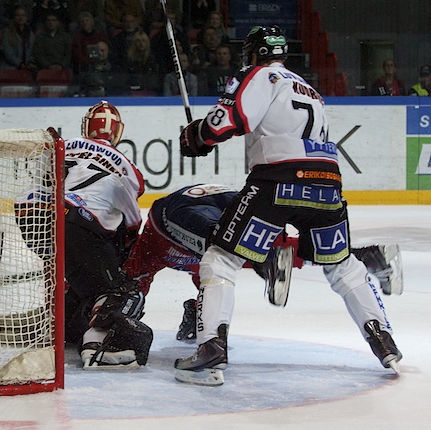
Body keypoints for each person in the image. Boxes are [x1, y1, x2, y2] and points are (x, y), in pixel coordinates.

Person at [175, 25, 402, 386]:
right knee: (342, 266)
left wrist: (196, 136)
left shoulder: (258, 74)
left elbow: (226, 122)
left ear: (252, 54)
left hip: (278, 179)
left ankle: (211, 347)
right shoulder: (309, 87)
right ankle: (383, 340)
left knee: (221, 257)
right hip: (327, 182)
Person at [122, 183, 404, 342]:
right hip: (233, 200)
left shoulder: (145, 249)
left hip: (172, 213)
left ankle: (268, 257)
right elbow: (209, 288)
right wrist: (195, 312)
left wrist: (120, 317)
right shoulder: (208, 269)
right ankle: (369, 257)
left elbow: (133, 287)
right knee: (257, 250)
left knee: (220, 244)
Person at [62, 101, 153, 369]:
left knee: (77, 277)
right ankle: (98, 345)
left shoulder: (64, 145)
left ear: (86, 126)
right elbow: (131, 221)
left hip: (34, 218)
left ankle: (60, 320)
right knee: (120, 290)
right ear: (117, 133)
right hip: (77, 222)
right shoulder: (129, 168)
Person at [0, 6, 36, 72]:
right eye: (18, 15)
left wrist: (31, 62)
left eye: (23, 15)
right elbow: (8, 54)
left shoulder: (30, 34)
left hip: (26, 68)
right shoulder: (7, 32)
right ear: (14, 17)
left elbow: (32, 52)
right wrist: (20, 64)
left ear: (26, 17)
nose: (21, 18)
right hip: (9, 68)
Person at [71, 11, 109, 76]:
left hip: (100, 62)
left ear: (92, 22)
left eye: (87, 20)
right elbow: (77, 54)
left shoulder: (100, 36)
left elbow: (106, 50)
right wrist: (88, 62)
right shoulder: (77, 38)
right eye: (82, 21)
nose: (85, 23)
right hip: (84, 64)